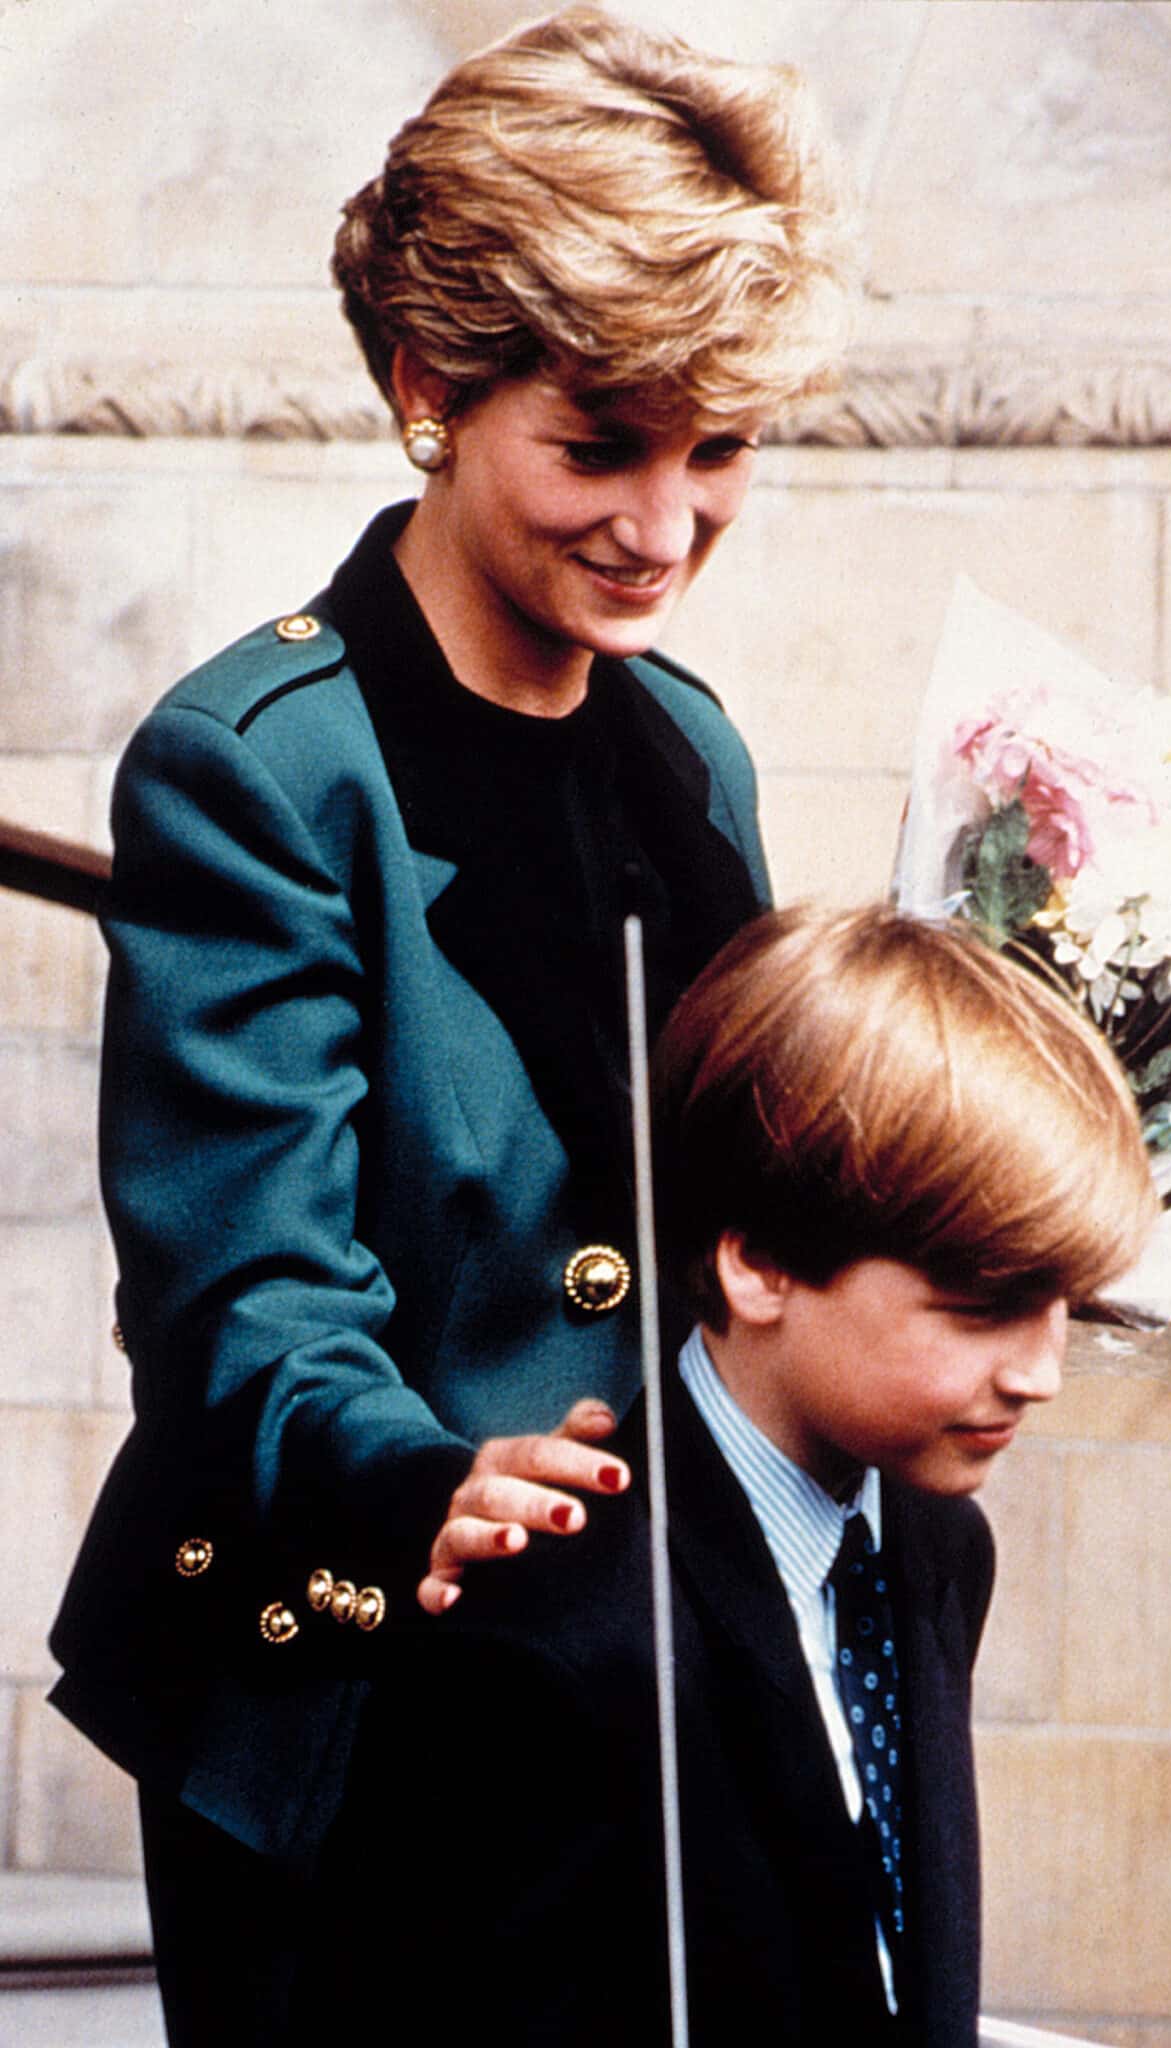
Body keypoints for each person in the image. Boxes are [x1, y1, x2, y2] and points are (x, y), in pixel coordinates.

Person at [47, 9, 849, 2041]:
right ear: (428, 388)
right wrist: (418, 1477)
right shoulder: (258, 765)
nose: (664, 528)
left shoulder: (691, 750)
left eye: (719, 450)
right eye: (600, 445)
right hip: (361, 1689)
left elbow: (737, 1189)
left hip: (648, 1676)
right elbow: (241, 1292)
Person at [302, 903, 1159, 2046]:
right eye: (981, 1306)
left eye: (1066, 1304)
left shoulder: (938, 1539)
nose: (1041, 1370)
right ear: (756, 1262)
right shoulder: (548, 1635)